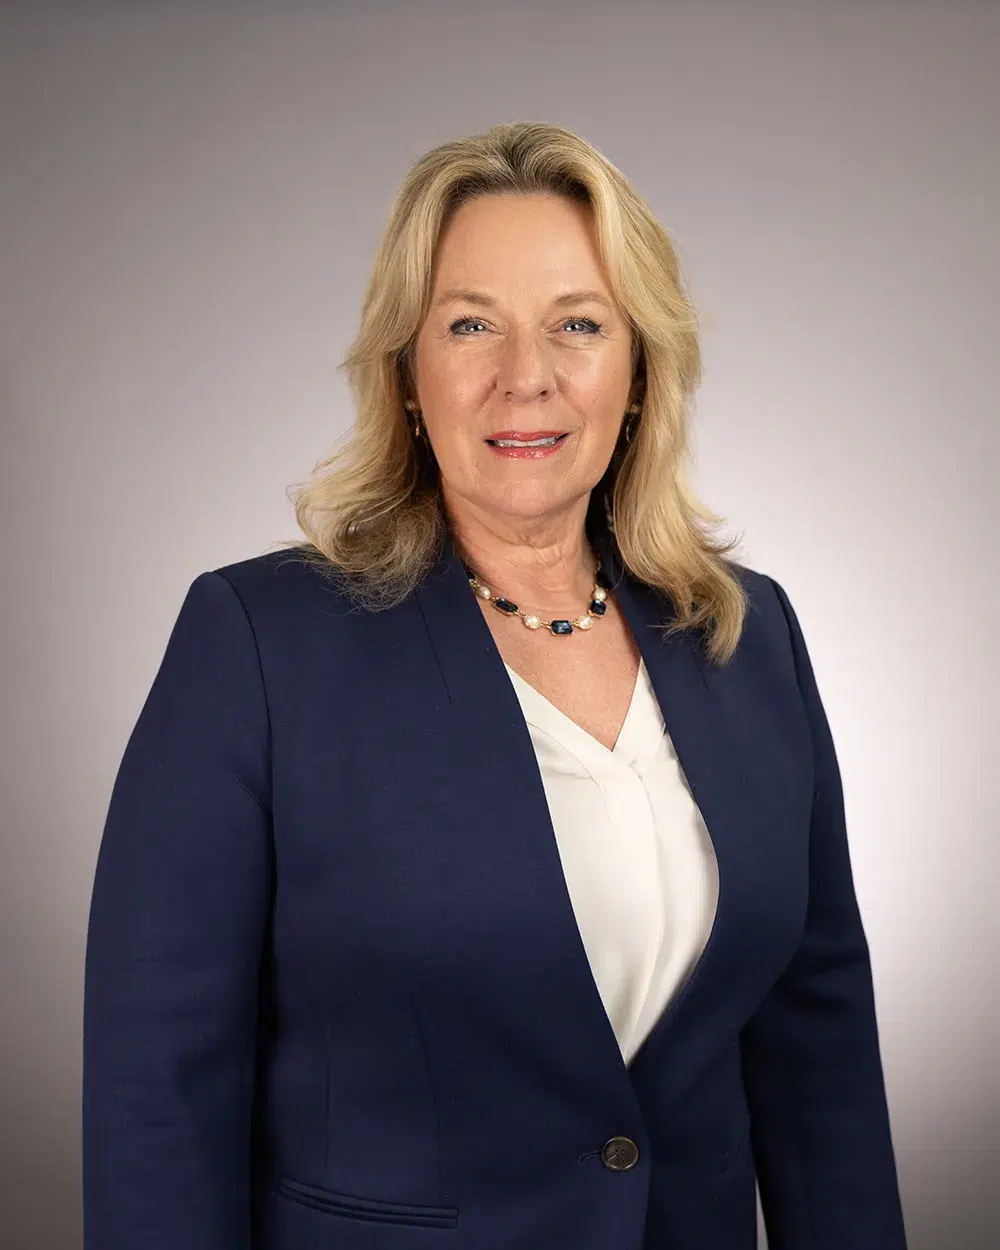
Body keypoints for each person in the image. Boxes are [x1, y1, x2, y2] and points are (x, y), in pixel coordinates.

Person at [82, 121, 908, 1250]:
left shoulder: (748, 634)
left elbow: (820, 1061)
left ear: (636, 374)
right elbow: (159, 1086)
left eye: (578, 324)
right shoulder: (259, 642)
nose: (527, 375)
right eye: (471, 324)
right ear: (410, 375)